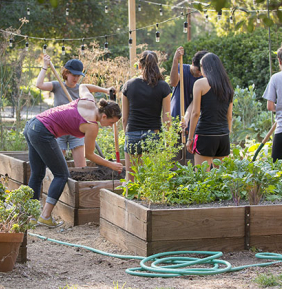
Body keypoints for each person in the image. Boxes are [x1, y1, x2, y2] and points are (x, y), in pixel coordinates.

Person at [24, 84, 124, 227]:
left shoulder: (88, 100)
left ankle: (31, 216)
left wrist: (105, 90)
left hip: (32, 125)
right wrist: (111, 165)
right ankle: (45, 216)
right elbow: (89, 155)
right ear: (103, 115)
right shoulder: (92, 125)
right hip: (42, 132)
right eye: (111, 122)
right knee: (62, 174)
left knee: (38, 173)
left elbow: (83, 86)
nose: (110, 126)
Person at [36, 55, 99, 167]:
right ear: (66, 73)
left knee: (82, 167)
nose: (76, 78)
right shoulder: (57, 85)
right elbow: (39, 85)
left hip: (76, 130)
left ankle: (79, 184)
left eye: (78, 76)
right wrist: (45, 66)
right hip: (58, 130)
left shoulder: (81, 89)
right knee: (55, 166)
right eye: (73, 75)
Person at [122, 51, 171, 181]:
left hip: (132, 132)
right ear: (157, 65)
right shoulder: (163, 86)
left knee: (131, 176)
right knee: (153, 176)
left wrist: (126, 133)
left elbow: (124, 117)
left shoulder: (129, 85)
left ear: (140, 65)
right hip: (153, 133)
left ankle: (130, 199)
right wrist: (168, 138)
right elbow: (166, 117)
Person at [186, 53, 234, 168]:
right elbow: (229, 116)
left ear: (204, 67)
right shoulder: (227, 87)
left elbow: (195, 113)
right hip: (223, 136)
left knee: (203, 177)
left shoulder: (200, 84)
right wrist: (227, 133)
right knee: (221, 178)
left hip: (205, 135)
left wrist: (190, 138)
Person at [169, 47, 207, 163]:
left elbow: (196, 103)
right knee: (175, 158)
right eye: (198, 70)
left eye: (201, 70)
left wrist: (187, 117)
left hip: (194, 122)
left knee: (191, 160)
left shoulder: (203, 77)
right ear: (192, 63)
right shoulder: (181, 68)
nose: (199, 73)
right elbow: (173, 82)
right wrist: (175, 60)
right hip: (176, 117)